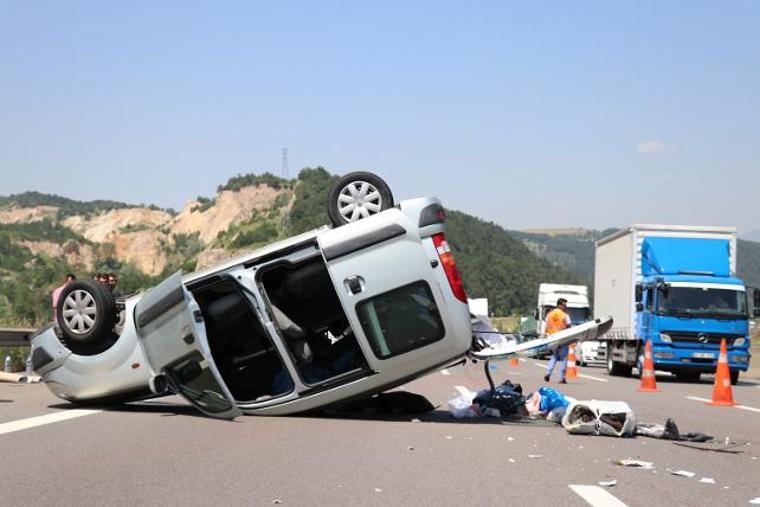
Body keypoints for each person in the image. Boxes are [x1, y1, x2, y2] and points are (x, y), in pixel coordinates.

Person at [544, 298, 572, 384]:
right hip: (562, 339)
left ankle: (548, 373)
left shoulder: (549, 315)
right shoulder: (564, 315)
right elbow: (569, 327)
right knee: (564, 358)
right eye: (564, 305)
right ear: (559, 305)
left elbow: (546, 328)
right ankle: (562, 378)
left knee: (555, 357)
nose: (565, 306)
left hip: (552, 339)